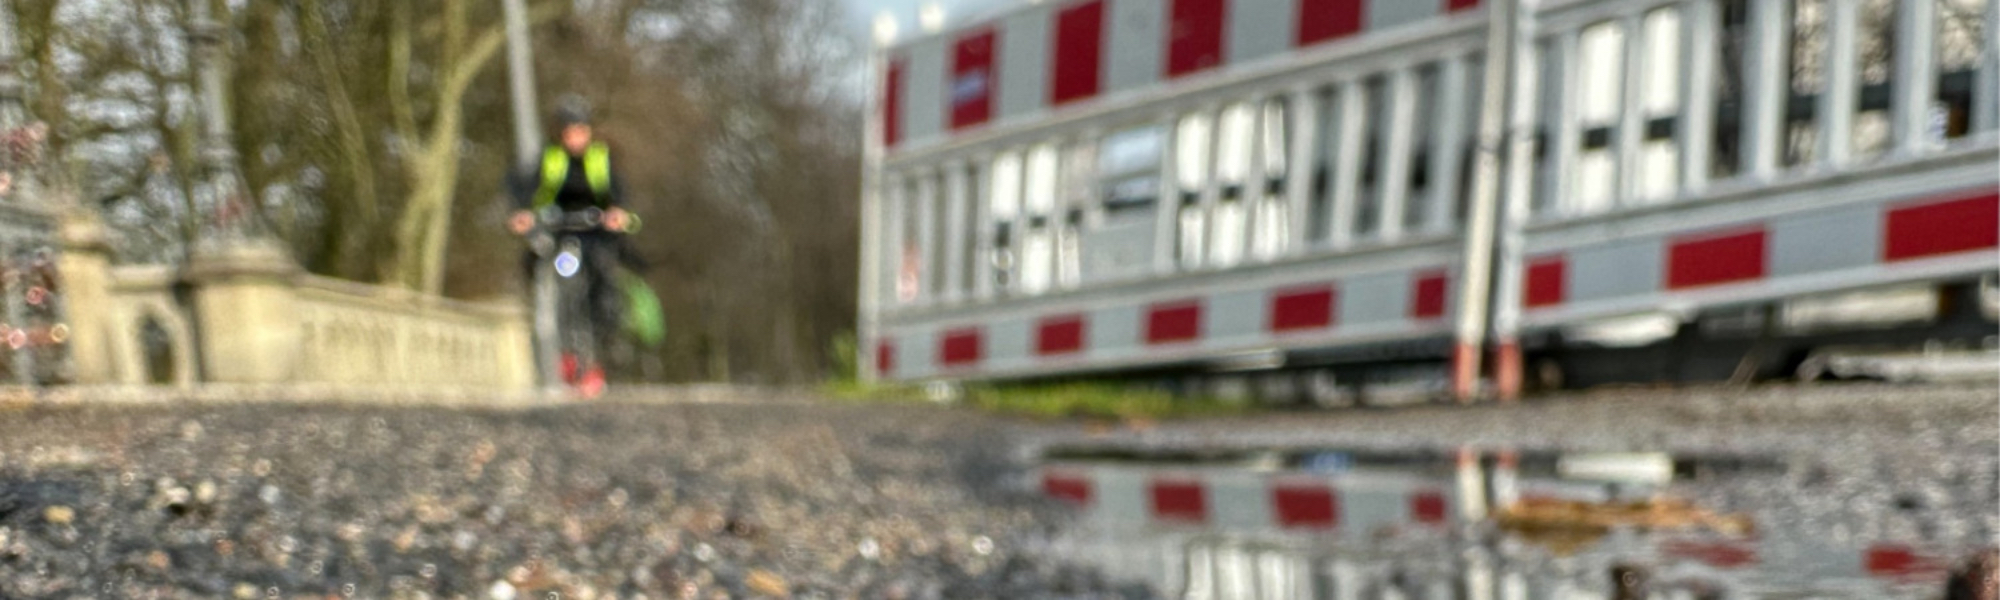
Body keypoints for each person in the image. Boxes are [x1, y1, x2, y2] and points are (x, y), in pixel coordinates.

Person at [509, 98, 634, 396]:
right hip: (559, 231)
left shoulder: (601, 157)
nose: (574, 138)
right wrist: (522, 213)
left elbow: (617, 191)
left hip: (594, 232)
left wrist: (617, 212)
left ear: (588, 131)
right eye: (568, 132)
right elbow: (528, 188)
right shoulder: (550, 157)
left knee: (603, 281)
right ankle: (559, 347)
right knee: (537, 263)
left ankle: (600, 354)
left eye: (579, 130)